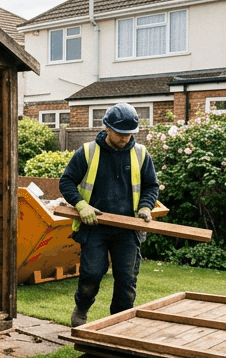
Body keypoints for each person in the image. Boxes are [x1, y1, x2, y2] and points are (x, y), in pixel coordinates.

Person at [57, 102, 160, 327]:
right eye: (120, 133)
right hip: (94, 227)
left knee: (126, 281)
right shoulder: (87, 152)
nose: (125, 138)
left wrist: (145, 206)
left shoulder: (141, 154)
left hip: (127, 230)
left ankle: (117, 325)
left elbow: (152, 186)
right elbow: (66, 182)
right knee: (91, 274)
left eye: (129, 134)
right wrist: (81, 205)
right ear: (107, 128)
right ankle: (82, 308)